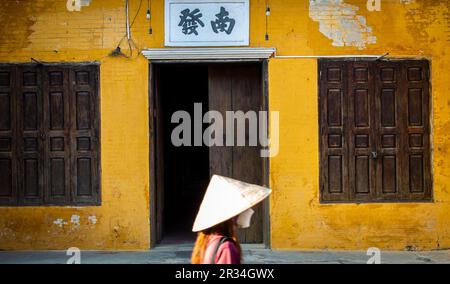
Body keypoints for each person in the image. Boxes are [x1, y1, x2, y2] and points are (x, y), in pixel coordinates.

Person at [191, 175, 271, 264]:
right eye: (241, 208)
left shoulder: (207, 239)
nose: (247, 210)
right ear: (231, 215)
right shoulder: (226, 247)